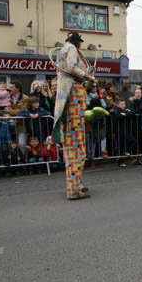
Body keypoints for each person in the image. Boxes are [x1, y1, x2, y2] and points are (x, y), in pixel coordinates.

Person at [53, 31, 96, 200]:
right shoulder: (70, 49)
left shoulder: (64, 50)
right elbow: (71, 67)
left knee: (74, 146)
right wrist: (88, 76)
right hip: (73, 99)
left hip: (70, 99)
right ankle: (73, 189)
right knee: (76, 148)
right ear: (77, 41)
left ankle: (76, 184)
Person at [111, 99, 135, 167]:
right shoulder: (115, 109)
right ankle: (120, 161)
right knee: (119, 146)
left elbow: (132, 112)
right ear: (118, 104)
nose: (123, 105)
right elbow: (117, 115)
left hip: (125, 130)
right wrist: (123, 114)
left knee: (132, 140)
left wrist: (125, 114)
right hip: (117, 131)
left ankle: (126, 151)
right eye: (121, 104)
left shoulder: (125, 109)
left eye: (124, 104)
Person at [8, 81, 29, 157]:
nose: (9, 89)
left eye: (11, 87)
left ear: (18, 88)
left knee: (21, 144)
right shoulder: (7, 97)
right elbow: (2, 109)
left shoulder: (25, 98)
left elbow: (23, 111)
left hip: (21, 125)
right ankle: (14, 162)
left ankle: (23, 160)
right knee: (10, 144)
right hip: (9, 124)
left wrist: (10, 112)